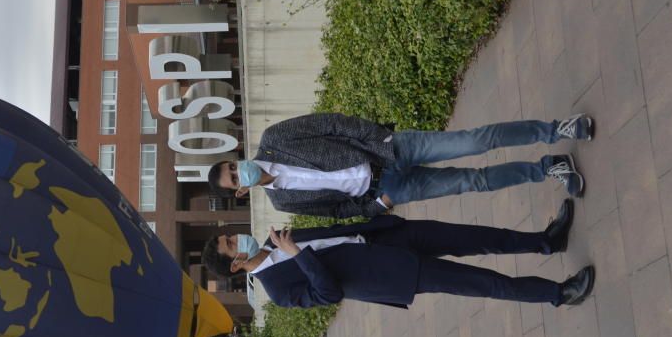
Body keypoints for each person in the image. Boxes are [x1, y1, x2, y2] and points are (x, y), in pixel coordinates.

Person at [202, 199, 594, 309]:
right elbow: (328, 293)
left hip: (388, 238)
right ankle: (559, 294)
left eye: (232, 235)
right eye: (232, 245)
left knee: (476, 236)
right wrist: (298, 254)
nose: (239, 238)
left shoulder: (274, 238)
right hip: (393, 276)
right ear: (237, 265)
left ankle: (546, 241)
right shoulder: (279, 290)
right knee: (486, 284)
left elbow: (335, 231)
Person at [207, 113, 592, 219]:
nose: (238, 172)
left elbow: (331, 122)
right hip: (389, 190)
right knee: (474, 182)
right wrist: (379, 207)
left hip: (391, 151)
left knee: (476, 140)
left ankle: (556, 128)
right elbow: (339, 211)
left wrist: (380, 137)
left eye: (232, 166)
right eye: (233, 180)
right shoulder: (283, 203)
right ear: (241, 191)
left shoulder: (275, 139)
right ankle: (549, 168)